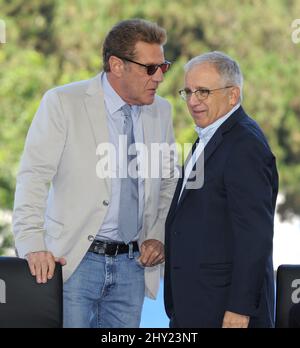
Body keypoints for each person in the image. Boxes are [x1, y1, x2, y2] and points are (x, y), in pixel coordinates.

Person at [13, 19, 177, 328]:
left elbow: (168, 180)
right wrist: (33, 244)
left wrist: (157, 234)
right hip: (74, 262)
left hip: (134, 267)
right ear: (117, 65)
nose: (159, 78)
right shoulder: (63, 103)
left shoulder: (162, 110)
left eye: (163, 67)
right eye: (150, 68)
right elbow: (33, 176)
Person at [164, 51, 278, 328]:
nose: (192, 101)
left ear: (233, 95)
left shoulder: (245, 145)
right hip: (196, 305)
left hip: (226, 312)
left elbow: (255, 235)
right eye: (188, 91)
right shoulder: (210, 135)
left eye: (203, 92)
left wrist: (240, 308)